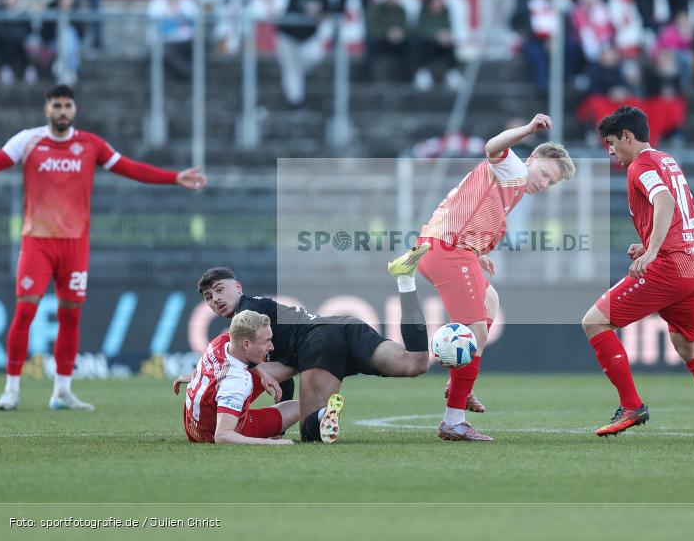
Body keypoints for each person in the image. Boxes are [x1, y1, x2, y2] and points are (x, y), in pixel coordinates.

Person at [0, 85, 207, 411]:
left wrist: (173, 177)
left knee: (70, 316)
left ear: (74, 109)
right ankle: (11, 390)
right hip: (37, 242)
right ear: (46, 109)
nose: (62, 111)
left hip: (75, 245)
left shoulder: (89, 144)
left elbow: (130, 167)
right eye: (57, 106)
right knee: (25, 312)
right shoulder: (28, 140)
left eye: (67, 105)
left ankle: (62, 392)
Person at [394, 114, 575, 442]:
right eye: (546, 174)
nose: (544, 183)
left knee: (491, 301)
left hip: (446, 247)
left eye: (551, 183)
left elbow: (465, 209)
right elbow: (492, 146)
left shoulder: (514, 184)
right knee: (475, 329)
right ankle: (453, 419)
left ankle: (459, 382)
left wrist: (478, 253)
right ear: (534, 159)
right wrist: (527, 130)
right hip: (447, 249)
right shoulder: (515, 169)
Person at [582, 105, 694, 443]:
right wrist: (651, 242)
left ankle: (631, 406)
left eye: (611, 142)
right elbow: (690, 209)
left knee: (594, 321)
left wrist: (653, 251)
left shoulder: (640, 165)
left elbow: (665, 202)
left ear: (627, 135)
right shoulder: (667, 160)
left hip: (671, 267)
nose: (610, 151)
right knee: (689, 347)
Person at [189, 246, 431, 442]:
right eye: (209, 297)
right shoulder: (258, 314)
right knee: (414, 362)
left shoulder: (247, 314)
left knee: (311, 433)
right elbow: (280, 376)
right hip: (343, 326)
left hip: (319, 340)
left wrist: (202, 376)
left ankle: (325, 413)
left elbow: (236, 362)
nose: (216, 299)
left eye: (220, 290)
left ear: (238, 287)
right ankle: (405, 280)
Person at [175, 310, 310, 445]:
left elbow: (218, 370)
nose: (271, 347)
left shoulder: (220, 341)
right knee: (302, 407)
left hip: (195, 426)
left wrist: (196, 377)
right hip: (216, 432)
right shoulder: (237, 381)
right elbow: (222, 436)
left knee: (291, 395)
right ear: (246, 344)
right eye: (267, 341)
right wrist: (272, 443)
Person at [276, 0, 329, 108]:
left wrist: (318, 13)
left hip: (307, 38)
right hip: (288, 35)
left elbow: (327, 11)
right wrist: (306, 11)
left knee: (312, 58)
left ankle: (296, 94)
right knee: (290, 69)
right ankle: (295, 102)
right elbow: (289, 9)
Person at [410, 0, 462, 92]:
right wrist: (436, 35)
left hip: (442, 43)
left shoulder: (446, 13)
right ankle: (423, 73)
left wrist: (445, 36)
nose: (438, 4)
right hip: (428, 43)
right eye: (436, 1)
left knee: (450, 44)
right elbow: (421, 29)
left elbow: (448, 27)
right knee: (421, 42)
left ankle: (452, 74)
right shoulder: (423, 12)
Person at [147, 0, 197, 80]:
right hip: (166, 41)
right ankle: (192, 75)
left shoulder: (187, 2)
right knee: (166, 53)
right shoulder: (157, 3)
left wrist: (178, 9)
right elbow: (159, 25)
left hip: (186, 41)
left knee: (202, 43)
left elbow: (193, 21)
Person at [39, 0, 83, 85]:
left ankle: (67, 68)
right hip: (54, 45)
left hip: (72, 47)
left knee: (69, 33)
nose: (66, 1)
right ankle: (63, 67)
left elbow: (81, 34)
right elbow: (45, 34)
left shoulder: (76, 13)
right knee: (65, 34)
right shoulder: (51, 12)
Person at [0, 0, 35, 85]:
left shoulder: (23, 13)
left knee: (27, 46)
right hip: (3, 47)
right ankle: (4, 68)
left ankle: (28, 70)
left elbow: (28, 30)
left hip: (19, 45)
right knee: (7, 45)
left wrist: (15, 35)